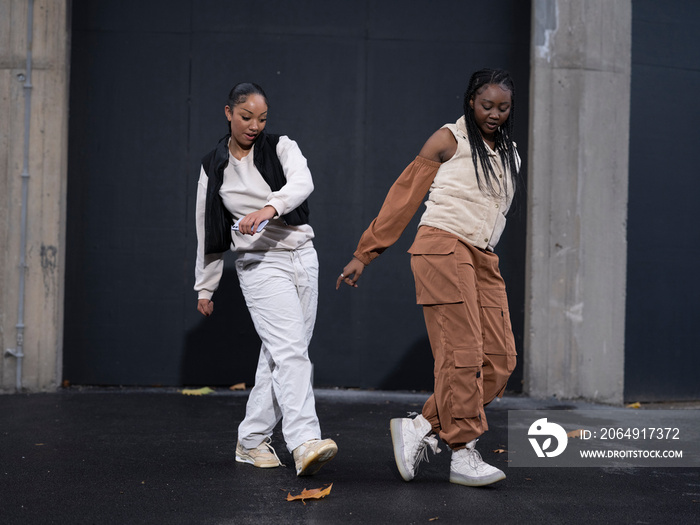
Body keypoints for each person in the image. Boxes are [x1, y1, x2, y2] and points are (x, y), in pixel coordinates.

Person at [336, 69, 520, 487]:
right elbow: (404, 196)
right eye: (486, 105)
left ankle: (420, 426)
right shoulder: (448, 140)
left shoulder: (510, 153)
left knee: (499, 360)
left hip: (483, 257)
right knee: (463, 353)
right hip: (442, 246)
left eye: (503, 107)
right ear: (471, 101)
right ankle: (463, 452)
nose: (494, 114)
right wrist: (365, 252)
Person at [194, 82, 337, 477]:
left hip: (303, 257)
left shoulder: (281, 147)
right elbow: (207, 230)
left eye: (261, 118)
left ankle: (253, 439)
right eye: (246, 117)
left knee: (281, 355)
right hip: (260, 264)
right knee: (291, 352)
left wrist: (270, 207)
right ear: (228, 113)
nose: (254, 125)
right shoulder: (213, 166)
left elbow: (302, 183)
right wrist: (206, 286)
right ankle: (304, 440)